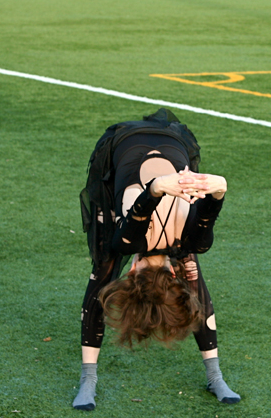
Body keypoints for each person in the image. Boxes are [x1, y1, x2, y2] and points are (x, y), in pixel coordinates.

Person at [73, 109, 240, 410]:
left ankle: (89, 379)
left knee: (106, 264)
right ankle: (88, 379)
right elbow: (212, 202)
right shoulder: (188, 243)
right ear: (133, 271)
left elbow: (148, 206)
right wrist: (215, 188)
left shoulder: (130, 241)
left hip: (129, 142)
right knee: (110, 270)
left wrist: (207, 188)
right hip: (162, 140)